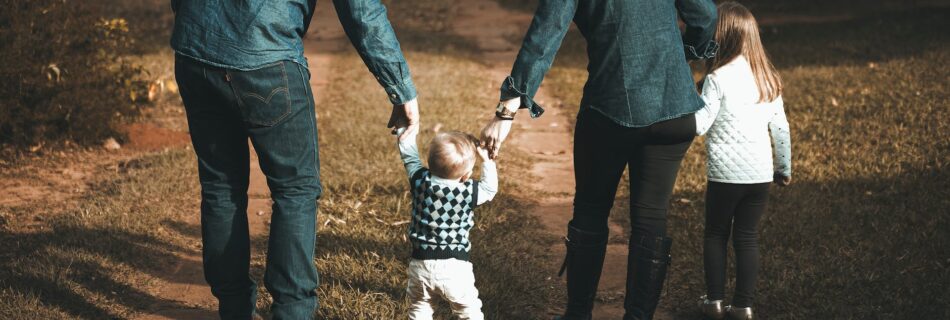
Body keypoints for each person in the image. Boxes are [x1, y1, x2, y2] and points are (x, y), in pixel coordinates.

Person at [170, 1, 419, 318]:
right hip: (267, 59)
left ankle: (233, 309)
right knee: (295, 191)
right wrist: (400, 87)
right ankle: (292, 311)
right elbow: (360, 10)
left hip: (195, 52)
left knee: (220, 186)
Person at [479, 0, 719, 319]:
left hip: (611, 107)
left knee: (591, 211)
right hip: (673, 108)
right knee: (651, 217)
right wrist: (682, 55)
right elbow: (705, 15)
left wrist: (506, 111)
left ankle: (578, 314)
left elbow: (546, 32)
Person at [693, 3, 792, 320]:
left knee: (716, 235)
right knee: (747, 237)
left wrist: (687, 101)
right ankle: (743, 306)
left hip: (725, 176)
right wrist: (783, 169)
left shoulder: (717, 79)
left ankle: (714, 302)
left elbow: (700, 125)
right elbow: (780, 129)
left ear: (720, 37)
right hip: (760, 176)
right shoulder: (768, 79)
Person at [395, 129, 498, 320]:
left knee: (419, 309)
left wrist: (405, 131)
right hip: (455, 267)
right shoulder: (469, 192)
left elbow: (409, 157)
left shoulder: (420, 181)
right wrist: (487, 161)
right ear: (466, 174)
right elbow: (490, 189)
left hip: (420, 264)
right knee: (468, 312)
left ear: (429, 162)